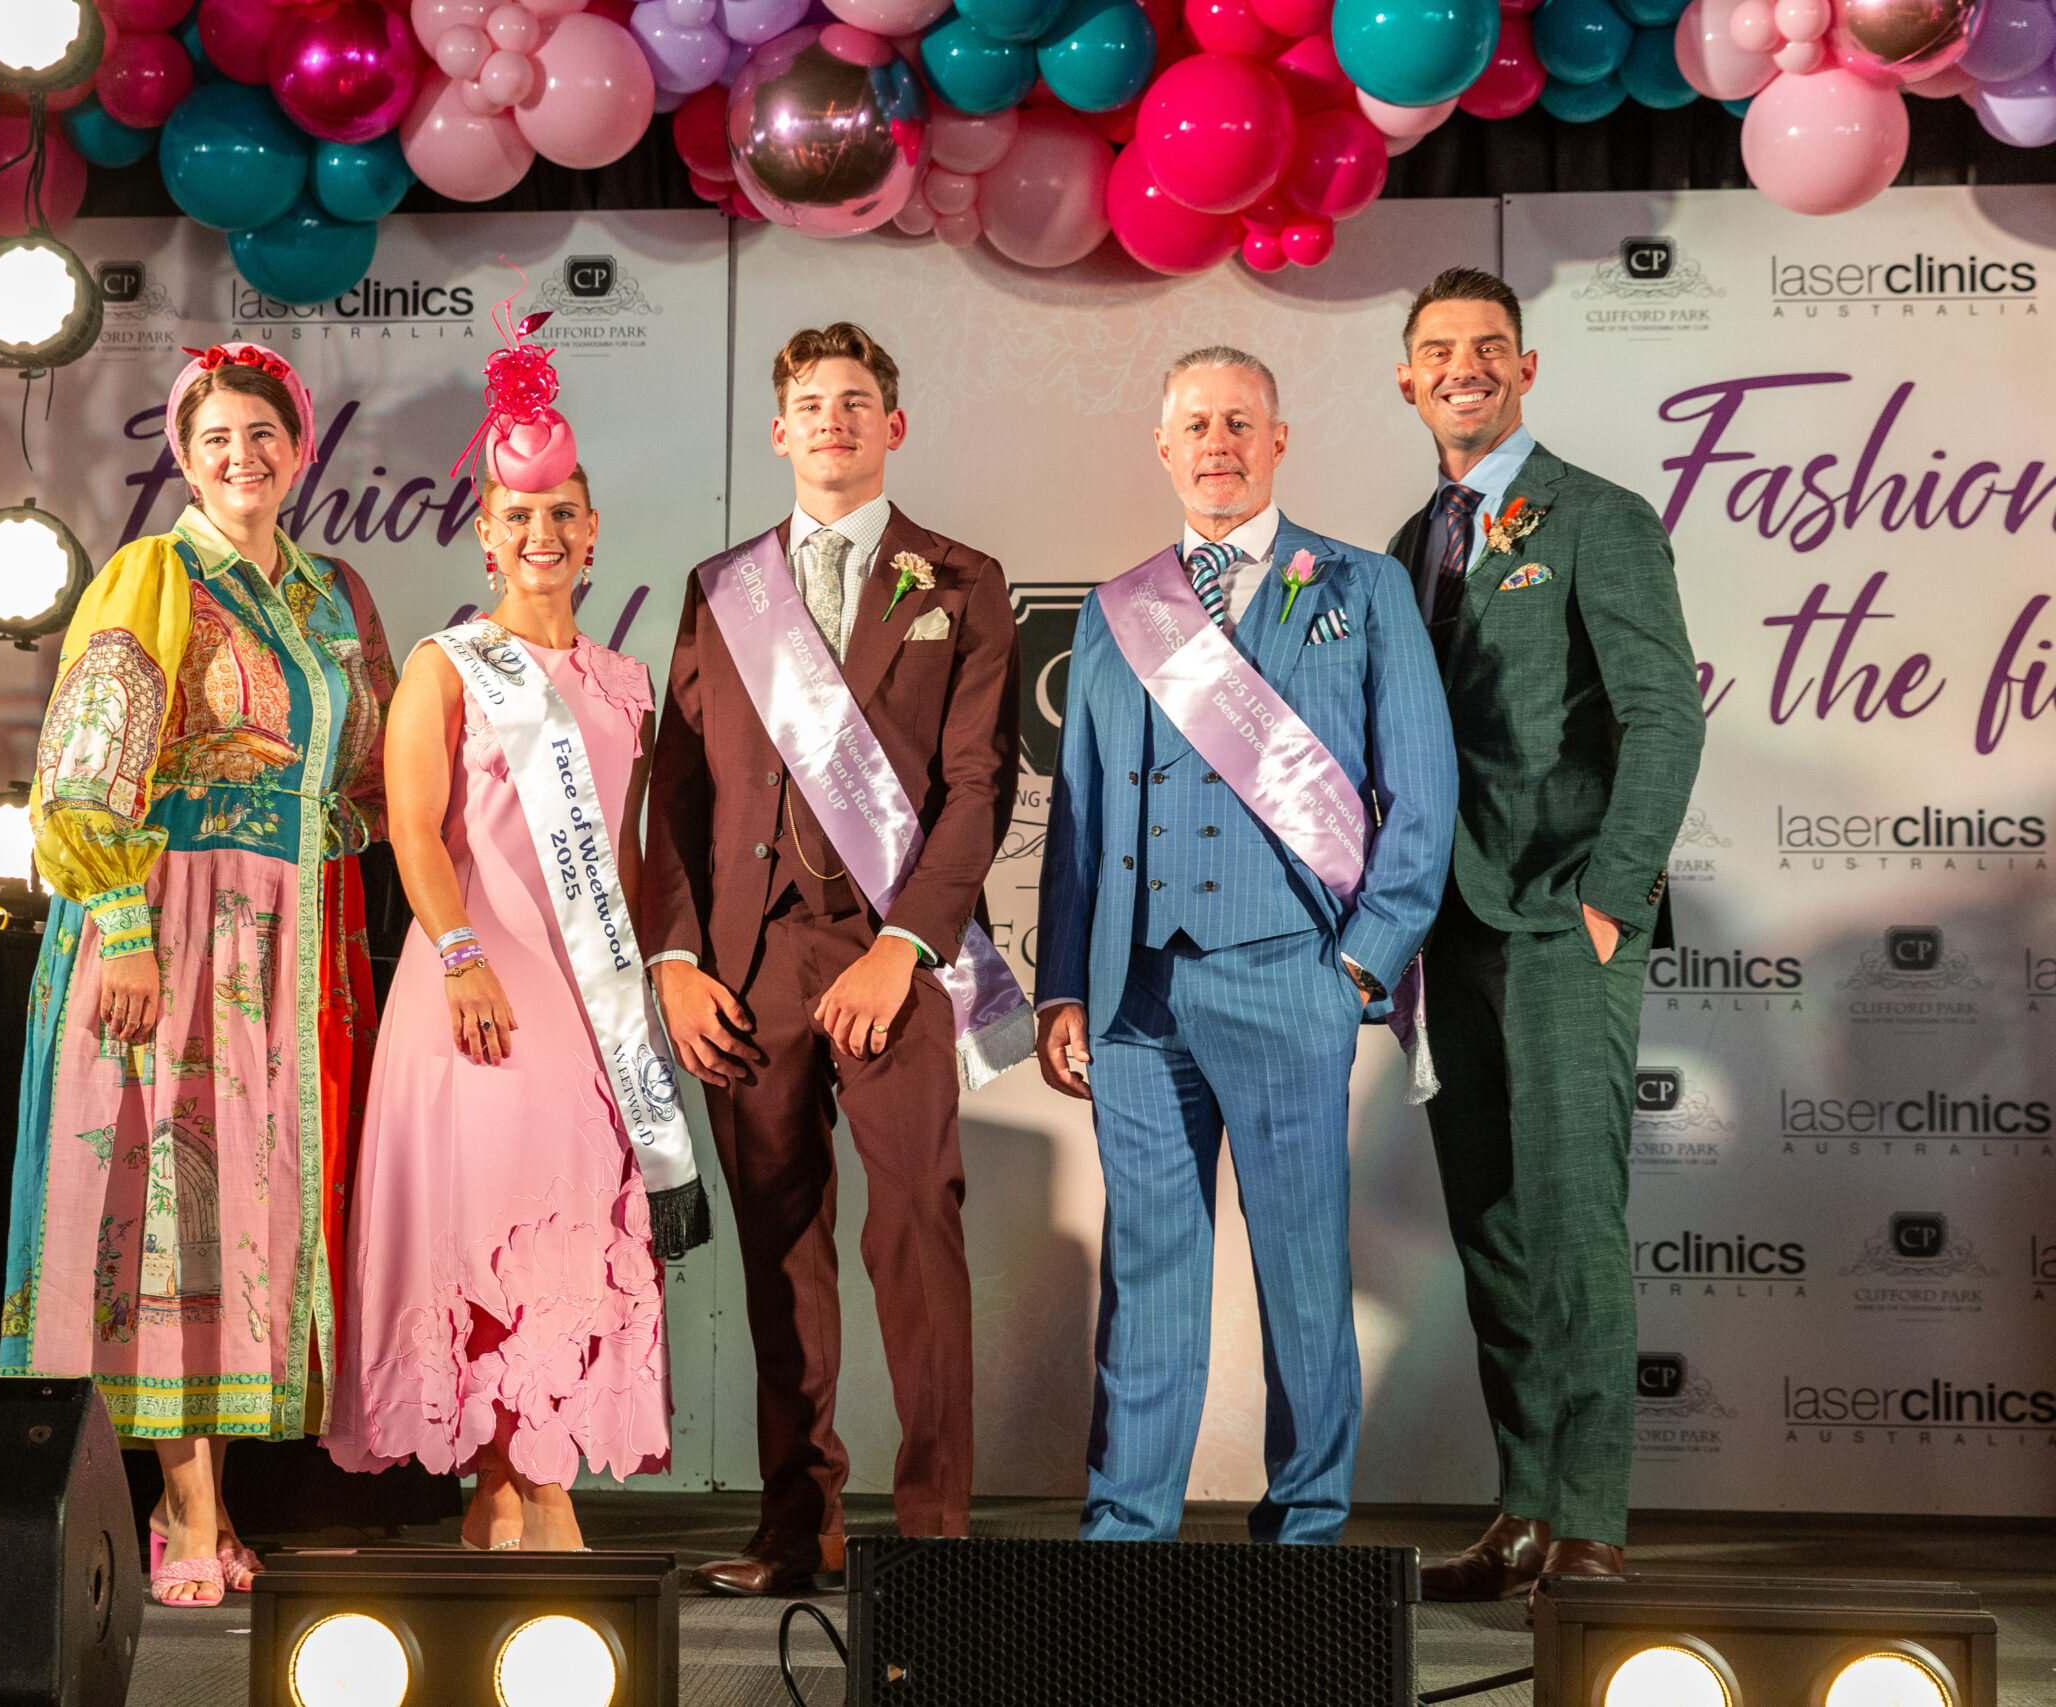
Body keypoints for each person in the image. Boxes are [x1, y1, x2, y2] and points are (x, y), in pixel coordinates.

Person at [1033, 347, 1456, 1545]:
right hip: (1133, 994)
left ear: (1276, 442)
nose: (1216, 444)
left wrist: (1363, 963)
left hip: (1290, 977)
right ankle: (1126, 1535)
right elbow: (1077, 813)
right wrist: (1061, 983)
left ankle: (1306, 1534)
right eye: (1194, 425)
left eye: (1238, 422)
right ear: (1163, 448)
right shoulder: (1117, 612)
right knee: (1148, 1278)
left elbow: (1422, 792)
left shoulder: (1363, 587)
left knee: (1302, 1277)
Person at [0, 342, 397, 1608]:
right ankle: (188, 1505)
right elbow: (81, 771)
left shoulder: (335, 595)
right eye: (215, 437)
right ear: (182, 455)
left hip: (290, 939)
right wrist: (121, 920)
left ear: (302, 448)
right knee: (167, 1192)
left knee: (244, 1216)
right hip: (167, 921)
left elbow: (373, 776)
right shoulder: (152, 575)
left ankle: (202, 1495)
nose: (241, 456)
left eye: (263, 434)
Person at [642, 322, 1030, 1596]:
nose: (833, 421)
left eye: (856, 401)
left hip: (888, 961)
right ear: (779, 431)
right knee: (778, 1248)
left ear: (892, 427)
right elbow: (676, 788)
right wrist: (675, 958)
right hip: (746, 970)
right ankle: (794, 1525)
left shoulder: (960, 580)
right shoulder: (722, 587)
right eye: (811, 403)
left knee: (916, 1229)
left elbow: (976, 787)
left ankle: (932, 1535)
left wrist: (906, 945)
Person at [1386, 268, 1704, 1597]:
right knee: (1494, 1228)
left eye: (1487, 346)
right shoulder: (1408, 543)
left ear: (1525, 368)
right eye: (1437, 349)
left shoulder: (1600, 516)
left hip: (1565, 922)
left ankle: (1588, 1519)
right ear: (1407, 379)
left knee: (1572, 1221)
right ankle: (1521, 1509)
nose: (1461, 366)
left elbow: (1664, 715)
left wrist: (1611, 900)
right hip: (1447, 930)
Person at [325, 446, 707, 1549]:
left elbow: (627, 861)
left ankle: (509, 1488)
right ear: (486, 535)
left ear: (592, 533)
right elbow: (412, 829)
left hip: (589, 999)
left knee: (575, 1225)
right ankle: (532, 1487)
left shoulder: (626, 683)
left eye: (563, 514)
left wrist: (640, 993)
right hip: (476, 987)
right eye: (519, 515)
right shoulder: (448, 665)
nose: (542, 533)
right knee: (492, 1222)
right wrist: (457, 955)